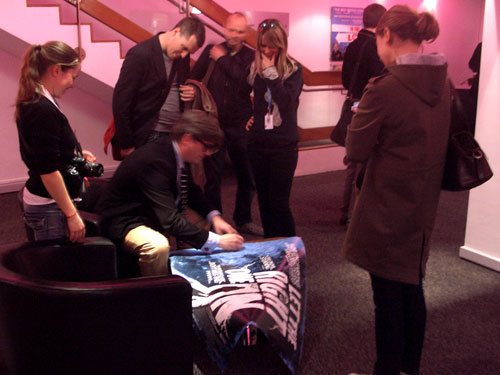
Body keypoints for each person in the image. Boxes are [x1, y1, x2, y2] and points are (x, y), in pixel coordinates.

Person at [342, 5, 450, 375]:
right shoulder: (443, 82)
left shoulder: (385, 87)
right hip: (422, 203)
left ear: (385, 34)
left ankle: (387, 370)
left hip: (386, 205)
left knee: (387, 296)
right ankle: (409, 368)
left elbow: (354, 150)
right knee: (411, 286)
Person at [99, 110, 244, 277]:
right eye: (206, 147)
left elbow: (191, 190)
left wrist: (215, 217)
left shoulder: (173, 151)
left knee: (206, 228)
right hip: (124, 220)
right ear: (187, 138)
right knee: (157, 246)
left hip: (150, 212)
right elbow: (170, 220)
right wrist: (218, 241)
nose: (208, 153)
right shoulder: (155, 162)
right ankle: (157, 291)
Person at [190, 12, 263, 236]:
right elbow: (194, 77)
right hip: (213, 124)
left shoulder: (251, 57)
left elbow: (245, 84)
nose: (235, 35)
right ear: (224, 28)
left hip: (241, 125)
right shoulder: (211, 51)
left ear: (246, 32)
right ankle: (216, 220)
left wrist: (223, 59)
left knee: (247, 175)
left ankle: (243, 219)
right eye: (232, 30)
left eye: (240, 31)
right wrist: (189, 89)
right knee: (213, 178)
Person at [15, 41, 96, 243]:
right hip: (49, 207)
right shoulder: (41, 110)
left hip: (48, 203)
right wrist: (71, 215)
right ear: (56, 70)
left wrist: (72, 154)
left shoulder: (41, 99)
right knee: (54, 270)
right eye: (72, 77)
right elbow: (48, 172)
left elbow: (47, 151)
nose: (72, 84)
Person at [111, 17, 205, 158]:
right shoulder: (140, 54)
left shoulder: (181, 57)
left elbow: (180, 85)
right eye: (184, 48)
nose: (185, 55)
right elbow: (121, 102)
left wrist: (192, 90)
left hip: (174, 133)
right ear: (175, 32)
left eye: (189, 52)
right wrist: (126, 144)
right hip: (147, 134)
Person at [245, 19, 303, 238]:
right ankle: (271, 247)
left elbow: (287, 102)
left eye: (272, 46)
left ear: (282, 45)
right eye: (263, 46)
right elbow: (243, 95)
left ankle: (291, 254)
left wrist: (271, 73)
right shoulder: (254, 69)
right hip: (258, 143)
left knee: (279, 204)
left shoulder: (293, 70)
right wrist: (249, 116)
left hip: (284, 145)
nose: (267, 51)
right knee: (264, 204)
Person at [338, 3, 386, 226]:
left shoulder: (353, 45)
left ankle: (344, 212)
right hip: (367, 109)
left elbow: (346, 80)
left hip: (352, 106)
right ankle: (358, 217)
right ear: (381, 22)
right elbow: (379, 82)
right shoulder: (375, 47)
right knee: (365, 166)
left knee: (352, 163)